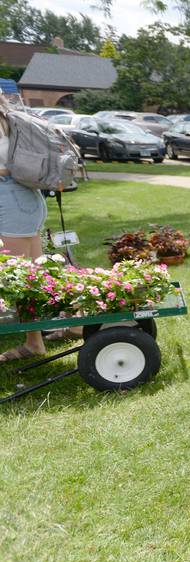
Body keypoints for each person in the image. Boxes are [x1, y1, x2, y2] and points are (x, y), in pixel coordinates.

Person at [0, 92, 49, 361]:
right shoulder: (7, 118)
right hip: (21, 200)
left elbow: (6, 167)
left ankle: (35, 342)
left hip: (12, 201)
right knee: (33, 274)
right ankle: (68, 324)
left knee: (19, 276)